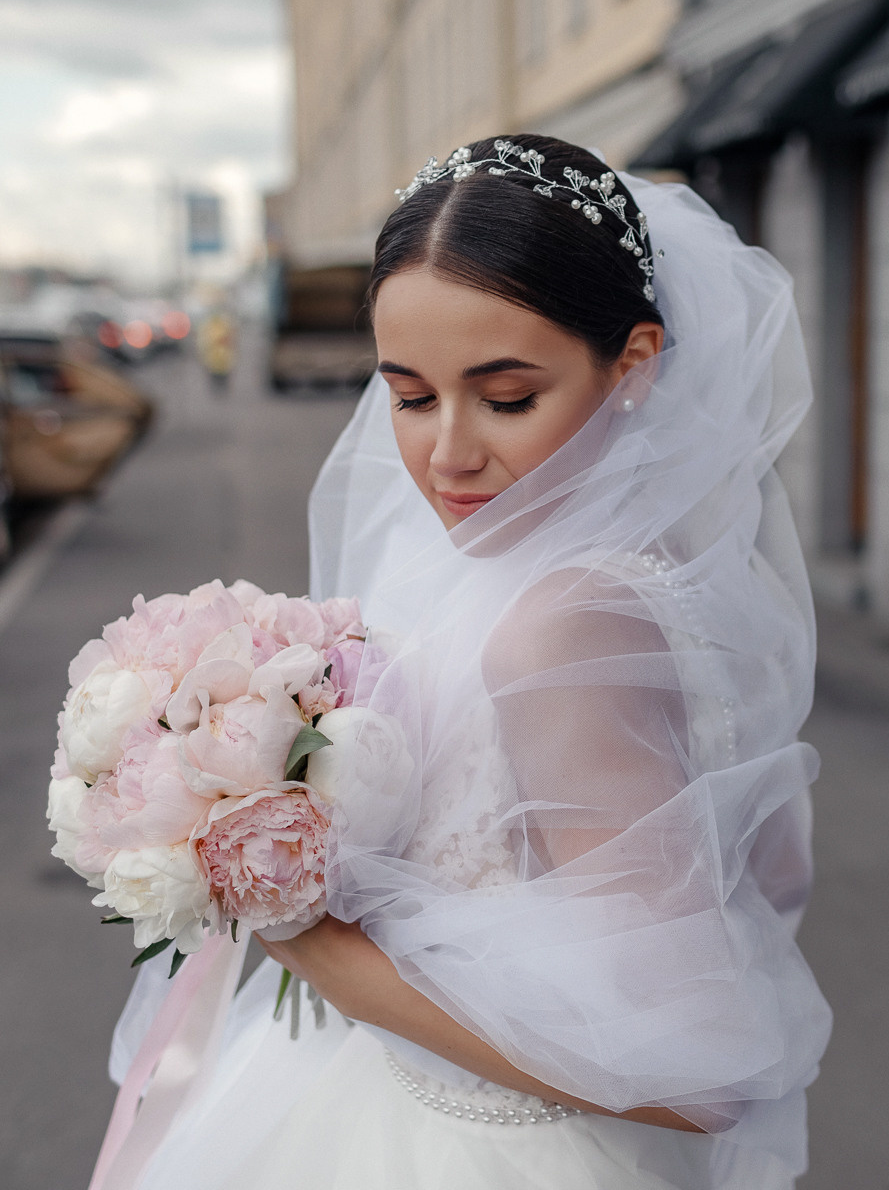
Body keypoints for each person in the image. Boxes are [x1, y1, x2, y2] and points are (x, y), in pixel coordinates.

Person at [106, 134, 831, 1190]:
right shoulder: (605, 572)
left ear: (632, 367)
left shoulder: (563, 626)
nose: (446, 454)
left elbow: (700, 1074)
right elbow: (773, 870)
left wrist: (309, 938)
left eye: (505, 397)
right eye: (408, 395)